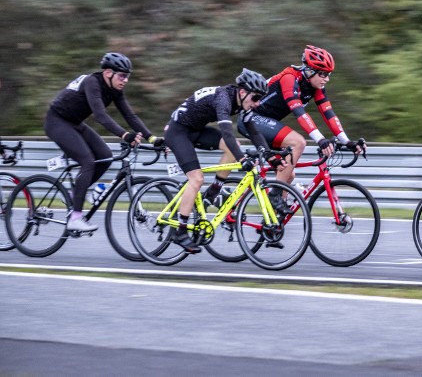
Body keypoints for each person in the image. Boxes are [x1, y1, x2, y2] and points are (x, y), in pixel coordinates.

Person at [44, 52, 164, 232]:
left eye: (127, 77)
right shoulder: (92, 82)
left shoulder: (115, 90)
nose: (125, 80)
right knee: (88, 161)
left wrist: (152, 138)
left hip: (75, 123)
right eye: (122, 76)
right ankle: (75, 218)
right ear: (108, 73)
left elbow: (130, 115)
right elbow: (100, 115)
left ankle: (75, 193)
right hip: (56, 121)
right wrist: (125, 135)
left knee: (106, 156)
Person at [237, 45, 364, 209]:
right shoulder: (289, 77)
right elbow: (299, 112)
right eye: (323, 74)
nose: (327, 79)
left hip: (266, 121)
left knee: (288, 174)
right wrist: (321, 140)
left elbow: (329, 114)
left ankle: (275, 219)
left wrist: (347, 142)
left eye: (329, 74)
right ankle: (275, 195)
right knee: (298, 143)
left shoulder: (315, 87)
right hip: (251, 118)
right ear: (310, 71)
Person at [164, 68, 273, 253]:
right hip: (178, 131)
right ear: (242, 92)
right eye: (255, 98)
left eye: (260, 99)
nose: (257, 103)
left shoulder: (242, 102)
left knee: (234, 145)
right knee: (197, 179)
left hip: (197, 129)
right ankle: (179, 231)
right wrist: (242, 159)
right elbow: (226, 132)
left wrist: (269, 155)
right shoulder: (223, 98)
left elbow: (253, 131)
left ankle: (214, 190)